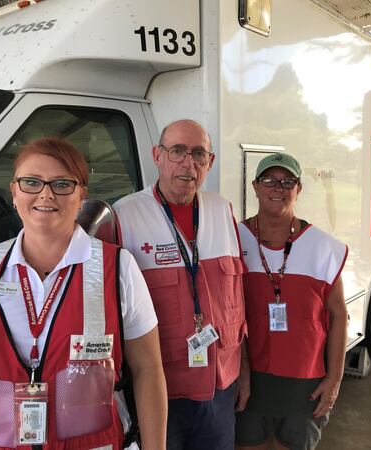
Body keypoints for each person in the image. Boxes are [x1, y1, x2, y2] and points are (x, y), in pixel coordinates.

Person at [0, 137, 167, 450]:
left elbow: (147, 371)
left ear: (81, 193)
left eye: (62, 183)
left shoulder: (118, 267)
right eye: (31, 182)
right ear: (14, 192)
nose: (46, 193)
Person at [114, 119, 249, 450]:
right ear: (157, 155)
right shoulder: (124, 216)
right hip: (159, 389)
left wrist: (244, 372)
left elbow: (237, 301)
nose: (188, 163)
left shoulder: (222, 210)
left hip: (220, 385)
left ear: (210, 162)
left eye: (198, 153)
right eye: (177, 151)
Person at [235, 153, 348, 450]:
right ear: (255, 186)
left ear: (299, 189)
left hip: (305, 383)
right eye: (269, 180)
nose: (278, 188)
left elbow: (338, 316)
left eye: (287, 182)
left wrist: (334, 379)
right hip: (248, 379)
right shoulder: (233, 240)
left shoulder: (323, 247)